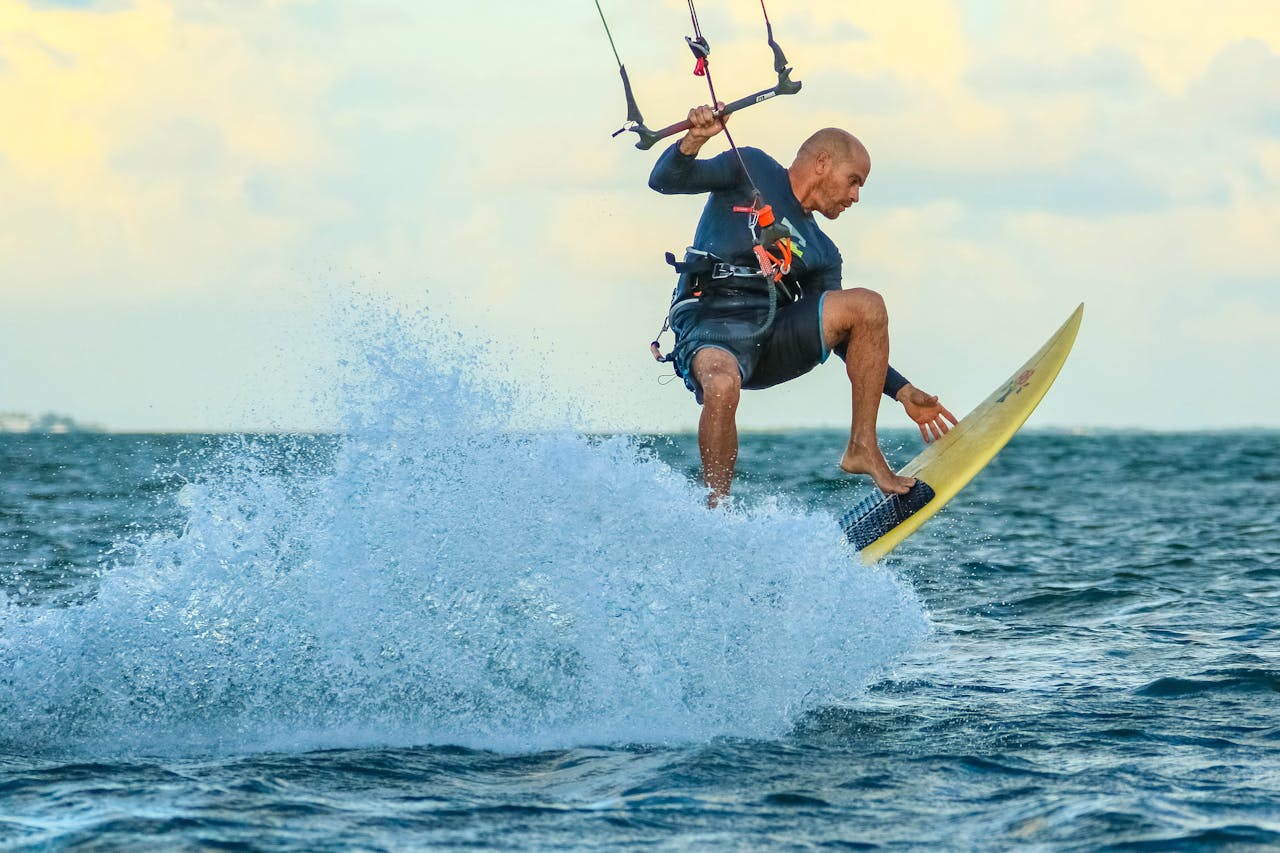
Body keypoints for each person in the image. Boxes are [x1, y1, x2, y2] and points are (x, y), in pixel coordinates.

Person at [649, 103, 957, 505]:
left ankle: (862, 446)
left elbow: (847, 337)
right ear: (823, 163)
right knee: (722, 385)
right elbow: (664, 180)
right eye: (853, 181)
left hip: (768, 336)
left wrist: (901, 390)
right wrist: (694, 139)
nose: (855, 196)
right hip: (710, 320)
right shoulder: (752, 167)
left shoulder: (823, 252)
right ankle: (716, 510)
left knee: (866, 306)